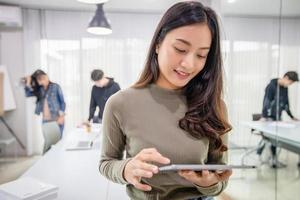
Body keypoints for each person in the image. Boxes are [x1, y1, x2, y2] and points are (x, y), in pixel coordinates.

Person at [99, 2, 232, 200]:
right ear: (158, 44)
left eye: (201, 55)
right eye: (180, 49)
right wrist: (126, 169)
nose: (189, 64)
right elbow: (107, 162)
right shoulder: (120, 103)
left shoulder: (214, 105)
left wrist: (210, 184)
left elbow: (221, 176)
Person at [258, 71, 299, 168]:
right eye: (291, 82)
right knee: (271, 137)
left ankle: (269, 157)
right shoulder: (271, 86)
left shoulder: (285, 89)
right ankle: (270, 158)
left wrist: (292, 117)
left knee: (275, 138)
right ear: (285, 77)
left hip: (277, 117)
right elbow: (266, 101)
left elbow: (286, 104)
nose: (290, 84)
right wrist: (264, 116)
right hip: (269, 117)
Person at [23, 69, 66, 135]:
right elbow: (27, 94)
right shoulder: (39, 90)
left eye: (44, 77)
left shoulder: (56, 87)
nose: (43, 80)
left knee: (58, 143)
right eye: (39, 79)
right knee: (48, 143)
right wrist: (28, 82)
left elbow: (62, 102)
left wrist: (61, 117)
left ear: (46, 76)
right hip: (46, 121)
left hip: (57, 120)